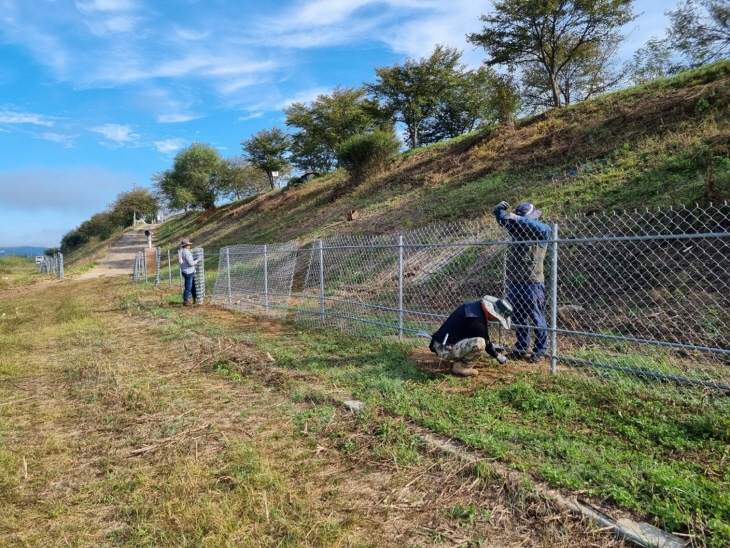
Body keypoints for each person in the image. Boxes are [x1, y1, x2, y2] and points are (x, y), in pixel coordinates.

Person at [493, 201, 551, 363]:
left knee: (536, 317)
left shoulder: (542, 232)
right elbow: (502, 221)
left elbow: (539, 227)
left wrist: (517, 219)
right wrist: (498, 212)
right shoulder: (517, 231)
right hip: (516, 283)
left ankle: (539, 351)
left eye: (521, 219)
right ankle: (521, 348)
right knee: (518, 317)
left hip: (533, 283)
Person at [429, 296, 513, 377]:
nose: (498, 321)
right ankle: (462, 367)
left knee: (479, 341)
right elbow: (487, 343)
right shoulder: (476, 319)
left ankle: (459, 359)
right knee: (480, 343)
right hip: (444, 348)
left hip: (443, 342)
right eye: (500, 319)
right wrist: (498, 356)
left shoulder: (475, 306)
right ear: (494, 314)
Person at [179, 238, 200, 306]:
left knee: (193, 285)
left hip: (184, 270)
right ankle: (185, 300)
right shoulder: (186, 252)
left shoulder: (181, 251)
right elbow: (191, 263)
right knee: (188, 287)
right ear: (185, 245)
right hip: (188, 271)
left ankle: (195, 297)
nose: (189, 246)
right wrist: (197, 260)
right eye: (188, 244)